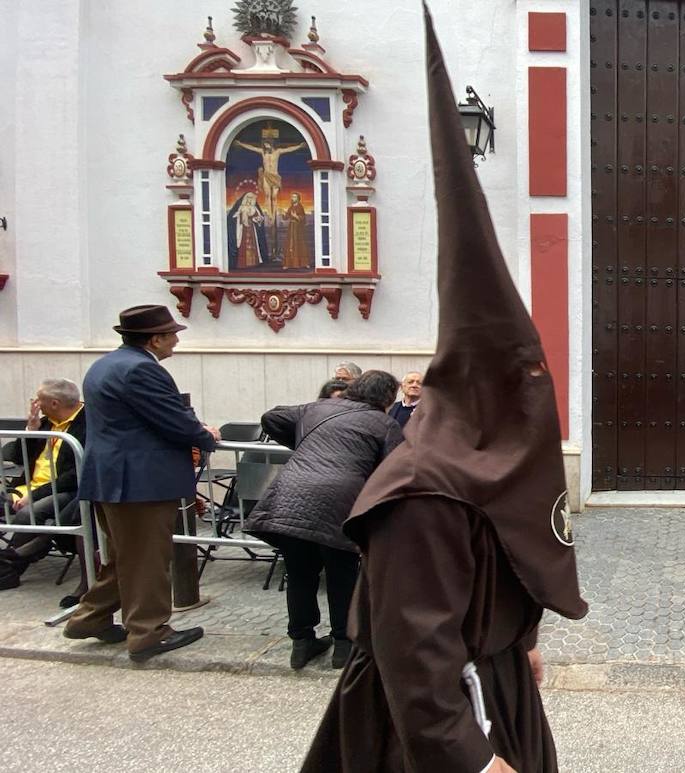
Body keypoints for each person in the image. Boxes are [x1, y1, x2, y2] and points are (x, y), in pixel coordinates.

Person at [301, 16, 587, 772]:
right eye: (520, 378)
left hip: (494, 684)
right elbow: (414, 652)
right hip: (430, 727)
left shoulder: (480, 464)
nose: (535, 395)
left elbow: (505, 554)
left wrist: (518, 640)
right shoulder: (421, 488)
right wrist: (472, 758)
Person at [62, 305, 219, 661]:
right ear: (156, 338)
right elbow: (172, 421)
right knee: (147, 559)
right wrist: (206, 435)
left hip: (112, 477)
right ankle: (149, 632)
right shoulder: (142, 371)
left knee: (122, 559)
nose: (176, 340)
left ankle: (90, 618)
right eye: (172, 334)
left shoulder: (105, 365)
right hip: (140, 482)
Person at [245, 370, 403, 670]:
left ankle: (301, 644)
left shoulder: (316, 408)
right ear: (387, 398)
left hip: (291, 494)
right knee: (341, 574)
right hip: (341, 501)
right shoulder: (385, 423)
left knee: (299, 573)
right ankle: (343, 645)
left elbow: (270, 417)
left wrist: (305, 443)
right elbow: (394, 467)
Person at [0, 379, 87, 593]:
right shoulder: (47, 421)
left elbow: (74, 476)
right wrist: (31, 429)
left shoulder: (87, 424)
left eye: (39, 401)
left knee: (28, 514)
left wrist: (35, 495)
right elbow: (19, 459)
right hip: (26, 488)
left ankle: (9, 570)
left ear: (55, 403)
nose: (36, 405)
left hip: (63, 491)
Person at [282, 192, 311, 269]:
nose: (292, 198)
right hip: (291, 228)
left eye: (294, 197)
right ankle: (288, 264)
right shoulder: (291, 207)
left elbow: (303, 218)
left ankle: (304, 263)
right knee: (290, 244)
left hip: (298, 229)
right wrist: (283, 214)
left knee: (300, 244)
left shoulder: (300, 207)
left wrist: (296, 216)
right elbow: (286, 217)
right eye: (292, 197)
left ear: (298, 198)